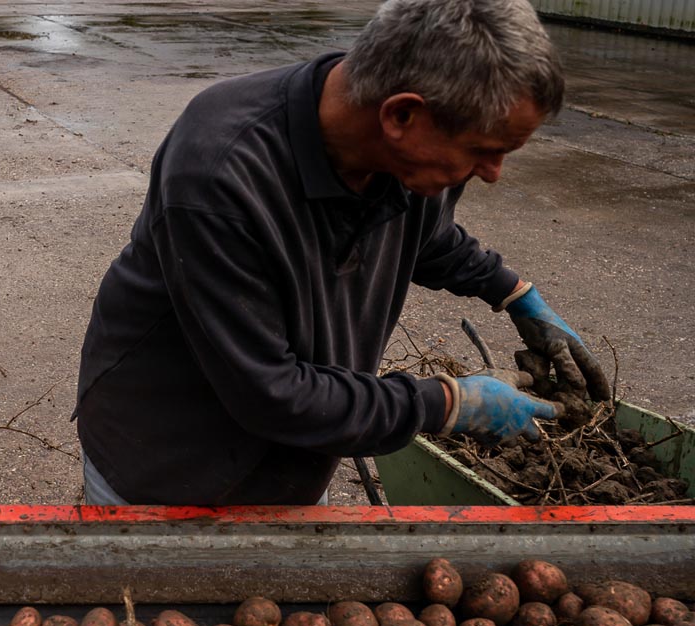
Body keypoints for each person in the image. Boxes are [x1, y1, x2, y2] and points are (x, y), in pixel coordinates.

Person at [74, 0, 610, 506]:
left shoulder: (406, 154)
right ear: (402, 115)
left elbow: (423, 232)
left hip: (300, 448)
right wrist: (447, 403)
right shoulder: (220, 172)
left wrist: (513, 293)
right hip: (167, 460)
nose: (494, 173)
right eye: (484, 152)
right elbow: (273, 395)